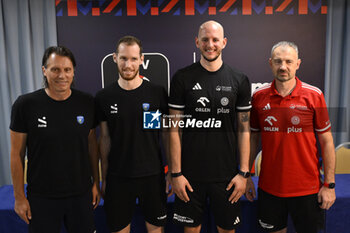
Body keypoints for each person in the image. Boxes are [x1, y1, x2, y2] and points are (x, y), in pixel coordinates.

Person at [168, 20, 251, 233]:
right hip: (190, 175)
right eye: (205, 39)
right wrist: (176, 174)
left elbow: (244, 130)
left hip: (227, 176)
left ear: (224, 42)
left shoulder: (239, 80)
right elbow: (173, 130)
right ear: (197, 42)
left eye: (215, 40)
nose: (210, 44)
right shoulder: (181, 78)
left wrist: (243, 173)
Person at [246, 41, 336, 233]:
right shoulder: (259, 97)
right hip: (270, 188)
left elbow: (327, 141)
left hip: (308, 189)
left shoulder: (314, 95)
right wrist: (247, 175)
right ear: (270, 63)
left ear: (298, 64)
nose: (283, 67)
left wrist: (329, 185)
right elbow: (252, 139)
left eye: (288, 61)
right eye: (278, 61)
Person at [10, 46, 100, 233]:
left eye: (67, 70)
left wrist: (95, 183)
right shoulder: (25, 104)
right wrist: (19, 197)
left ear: (74, 71)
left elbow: (92, 145)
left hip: (80, 195)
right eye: (55, 69)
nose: (62, 75)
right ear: (44, 70)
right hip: (42, 197)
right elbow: (16, 154)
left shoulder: (87, 102)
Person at [95, 36, 170, 233]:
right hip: (118, 177)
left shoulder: (157, 93)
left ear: (142, 59)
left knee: (155, 229)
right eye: (123, 58)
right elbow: (104, 138)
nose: (128, 64)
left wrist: (171, 172)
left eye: (133, 59)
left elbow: (165, 135)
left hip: (152, 176)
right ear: (114, 58)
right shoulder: (104, 96)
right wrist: (104, 177)